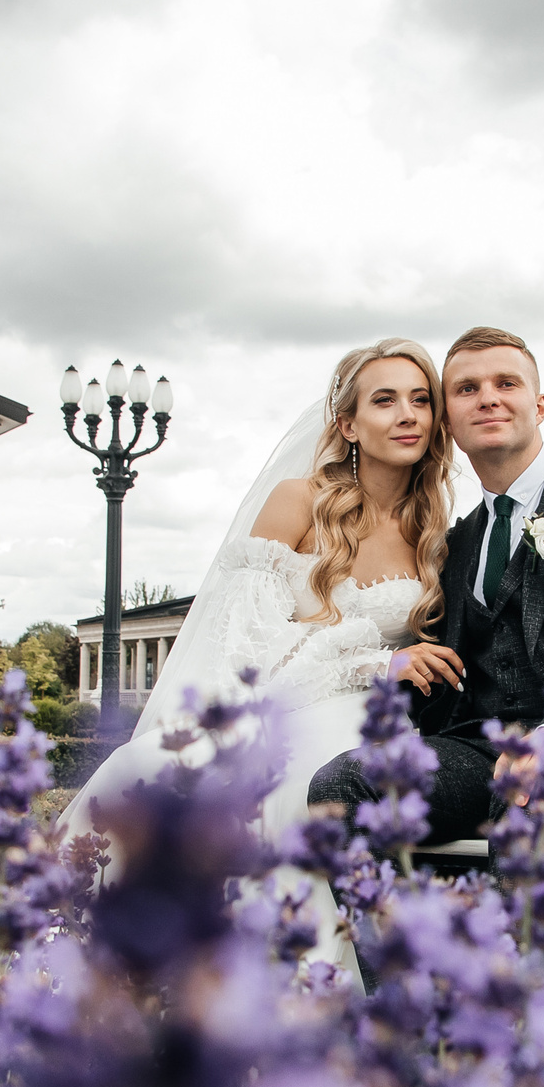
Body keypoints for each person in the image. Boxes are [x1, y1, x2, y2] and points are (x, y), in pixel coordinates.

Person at [57, 337, 460, 870]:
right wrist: (381, 663)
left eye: (421, 399)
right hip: (282, 714)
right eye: (384, 400)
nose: (407, 415)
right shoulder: (299, 501)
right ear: (347, 424)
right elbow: (243, 650)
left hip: (380, 730)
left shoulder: (433, 529)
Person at [305, 325, 544, 842]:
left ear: (539, 406)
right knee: (350, 782)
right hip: (482, 750)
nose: (489, 399)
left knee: (534, 804)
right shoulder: (455, 541)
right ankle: (399, 925)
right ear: (447, 421)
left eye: (507, 383)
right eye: (467, 389)